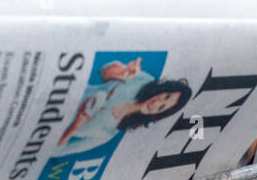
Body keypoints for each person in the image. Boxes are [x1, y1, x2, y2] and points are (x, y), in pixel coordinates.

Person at [56, 57, 192, 154]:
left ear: (158, 114)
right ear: (163, 89)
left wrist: (76, 125)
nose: (157, 103)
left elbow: (57, 151)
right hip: (61, 88)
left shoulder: (107, 134)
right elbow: (102, 71)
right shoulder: (144, 81)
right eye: (166, 96)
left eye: (162, 107)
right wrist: (119, 72)